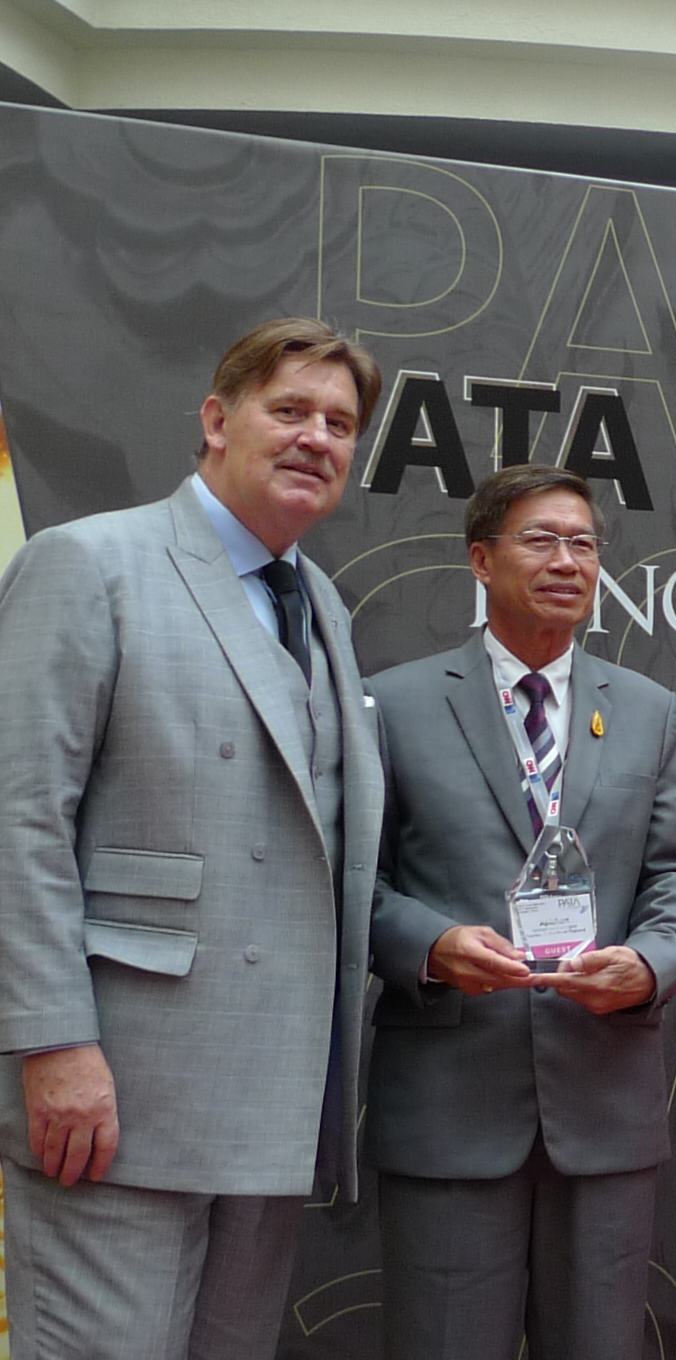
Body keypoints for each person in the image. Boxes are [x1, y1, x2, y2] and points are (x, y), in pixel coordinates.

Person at [0, 318, 383, 1359]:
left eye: (339, 423)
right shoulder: (89, 563)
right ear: (216, 421)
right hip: (116, 1100)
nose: (315, 438)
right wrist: (52, 1042)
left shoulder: (323, 605)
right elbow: (20, 819)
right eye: (289, 409)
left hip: (271, 1110)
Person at [366, 464, 676, 1360]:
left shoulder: (650, 712)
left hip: (604, 1095)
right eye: (542, 539)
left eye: (584, 543)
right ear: (481, 559)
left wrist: (650, 967)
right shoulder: (393, 704)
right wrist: (432, 944)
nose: (568, 561)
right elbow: (347, 881)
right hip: (450, 1100)